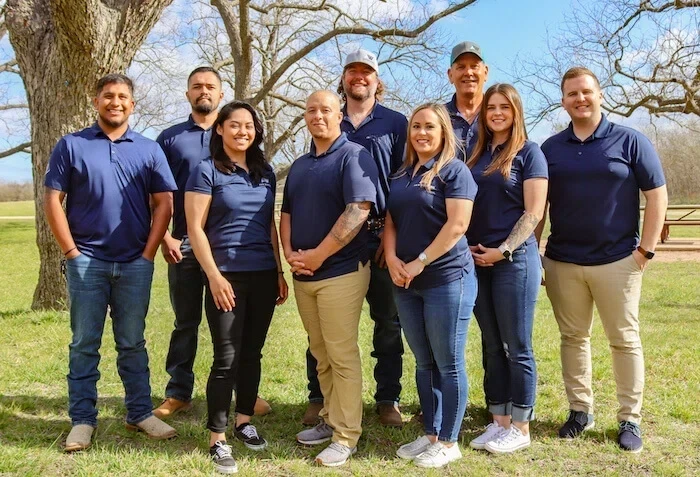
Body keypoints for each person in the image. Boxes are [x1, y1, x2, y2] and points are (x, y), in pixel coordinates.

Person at [44, 74, 178, 452]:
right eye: (108, 96)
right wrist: (72, 253)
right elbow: (53, 199)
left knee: (132, 343)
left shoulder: (149, 149)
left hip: (134, 263)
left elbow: (164, 203)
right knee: (84, 344)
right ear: (96, 101)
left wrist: (148, 254)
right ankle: (82, 420)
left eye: (122, 96)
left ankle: (140, 412)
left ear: (132, 104)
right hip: (87, 262)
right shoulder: (72, 145)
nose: (115, 102)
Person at [539, 67, 668, 453]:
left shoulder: (631, 141)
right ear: (563, 101)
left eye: (586, 91)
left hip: (618, 261)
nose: (580, 99)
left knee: (624, 340)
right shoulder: (550, 149)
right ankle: (580, 411)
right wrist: (534, 253)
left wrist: (645, 251)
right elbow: (537, 205)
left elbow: (657, 195)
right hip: (563, 262)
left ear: (600, 95)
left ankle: (630, 419)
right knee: (573, 338)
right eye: (572, 93)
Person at [155, 67, 272, 420]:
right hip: (186, 244)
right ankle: (178, 391)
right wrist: (165, 236)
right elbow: (156, 192)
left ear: (221, 95)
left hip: (232, 251)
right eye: (197, 86)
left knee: (236, 325)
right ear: (188, 94)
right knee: (186, 321)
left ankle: (242, 390)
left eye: (210, 86)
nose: (203, 91)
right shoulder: (171, 139)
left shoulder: (242, 142)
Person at [302, 49, 407, 427]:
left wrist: (391, 236)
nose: (359, 77)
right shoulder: (329, 116)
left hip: (378, 236)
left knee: (388, 322)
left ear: (377, 80)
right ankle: (318, 395)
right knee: (323, 325)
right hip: (333, 239)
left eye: (367, 72)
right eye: (352, 71)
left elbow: (402, 181)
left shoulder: (395, 123)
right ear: (343, 78)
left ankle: (388, 397)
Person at [185, 101, 288, 474]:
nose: (243, 131)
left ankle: (244, 421)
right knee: (226, 357)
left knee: (252, 354)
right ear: (220, 129)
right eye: (235, 125)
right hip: (225, 275)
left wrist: (279, 271)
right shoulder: (205, 170)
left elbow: (269, 225)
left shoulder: (265, 172)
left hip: (263, 273)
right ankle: (217, 437)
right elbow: (195, 228)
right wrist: (214, 276)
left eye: (249, 126)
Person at [281, 90, 378, 467]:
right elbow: (287, 213)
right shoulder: (300, 165)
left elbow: (358, 210)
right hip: (304, 274)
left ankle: (346, 435)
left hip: (341, 271)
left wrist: (318, 255)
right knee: (320, 352)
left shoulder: (354, 156)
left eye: (326, 110)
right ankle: (329, 417)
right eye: (311, 110)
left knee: (341, 354)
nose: (317, 115)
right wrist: (291, 254)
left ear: (340, 115)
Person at [385, 103, 478, 468]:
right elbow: (391, 220)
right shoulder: (401, 174)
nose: (421, 133)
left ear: (444, 133)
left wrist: (419, 261)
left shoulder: (454, 171)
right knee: (424, 362)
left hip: (446, 278)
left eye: (429, 127)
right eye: (416, 127)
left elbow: (457, 226)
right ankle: (431, 434)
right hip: (406, 281)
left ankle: (450, 441)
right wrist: (392, 258)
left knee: (448, 362)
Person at [465, 84, 548, 454]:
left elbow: (534, 212)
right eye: (491, 107)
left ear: (516, 112)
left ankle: (521, 426)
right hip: (477, 261)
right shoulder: (475, 153)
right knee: (491, 344)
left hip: (514, 261)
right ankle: (499, 420)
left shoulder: (530, 153)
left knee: (517, 345)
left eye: (504, 107)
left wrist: (504, 249)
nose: (497, 113)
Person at [446, 41, 488, 154]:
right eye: (461, 67)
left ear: (486, 72)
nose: (468, 72)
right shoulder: (437, 118)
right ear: (450, 75)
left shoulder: (500, 117)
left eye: (474, 66)